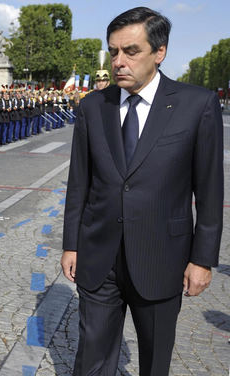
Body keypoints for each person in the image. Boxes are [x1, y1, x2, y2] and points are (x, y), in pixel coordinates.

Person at [61, 7, 223, 375]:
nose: (119, 61)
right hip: (98, 257)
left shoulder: (196, 105)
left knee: (154, 362)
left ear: (159, 52)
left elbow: (210, 191)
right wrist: (72, 243)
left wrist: (202, 259)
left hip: (162, 258)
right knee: (91, 360)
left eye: (131, 51)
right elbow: (79, 182)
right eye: (114, 51)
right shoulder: (92, 107)